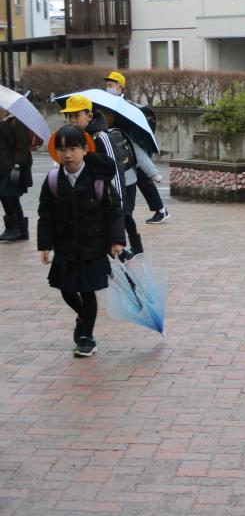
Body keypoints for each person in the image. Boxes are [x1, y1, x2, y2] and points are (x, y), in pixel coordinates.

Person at [37, 124, 125, 357]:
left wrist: (117, 240)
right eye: (62, 149)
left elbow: (114, 211)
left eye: (73, 149)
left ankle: (87, 337)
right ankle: (82, 316)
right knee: (66, 289)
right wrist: (44, 244)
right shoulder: (53, 180)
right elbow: (45, 214)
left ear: (85, 149)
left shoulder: (98, 179)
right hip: (65, 246)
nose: (67, 155)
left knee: (87, 291)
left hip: (92, 246)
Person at [61, 94, 144, 255]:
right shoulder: (75, 139)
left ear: (89, 116)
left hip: (110, 194)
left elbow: (116, 171)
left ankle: (132, 253)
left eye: (76, 115)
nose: (72, 120)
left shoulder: (102, 137)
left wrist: (118, 204)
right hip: (92, 198)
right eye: (69, 116)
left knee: (119, 226)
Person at [103, 71, 169, 224]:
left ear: (120, 87)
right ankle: (160, 210)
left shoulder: (128, 107)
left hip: (132, 149)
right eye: (107, 85)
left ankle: (156, 211)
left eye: (111, 85)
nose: (108, 88)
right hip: (126, 149)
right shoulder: (111, 105)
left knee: (141, 179)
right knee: (142, 179)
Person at [0, 110, 33, 241]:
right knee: (11, 198)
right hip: (3, 167)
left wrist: (17, 165)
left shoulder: (16, 121)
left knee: (7, 195)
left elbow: (23, 146)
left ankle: (13, 228)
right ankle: (21, 231)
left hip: (14, 166)